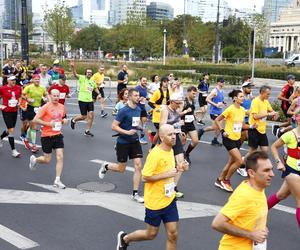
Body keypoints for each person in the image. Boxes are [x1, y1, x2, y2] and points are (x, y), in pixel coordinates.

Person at [116, 124, 188, 250]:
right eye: (169, 134)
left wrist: (179, 168)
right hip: (155, 202)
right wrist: (167, 174)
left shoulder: (170, 150)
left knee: (173, 234)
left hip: (169, 199)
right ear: (161, 136)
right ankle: (125, 239)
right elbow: (144, 177)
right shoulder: (155, 154)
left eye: (174, 134)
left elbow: (168, 171)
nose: (173, 137)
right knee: (151, 234)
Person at [212, 151, 274, 250]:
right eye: (266, 170)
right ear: (251, 173)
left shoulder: (259, 188)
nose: (272, 174)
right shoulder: (244, 195)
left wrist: (261, 227)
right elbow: (217, 223)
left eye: (271, 169)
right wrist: (251, 234)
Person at [98, 88, 144, 203]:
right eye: (135, 95)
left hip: (134, 141)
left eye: (138, 95)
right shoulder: (123, 111)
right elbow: (114, 126)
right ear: (129, 97)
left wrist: (140, 128)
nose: (137, 97)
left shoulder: (138, 109)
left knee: (138, 166)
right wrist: (127, 132)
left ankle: (135, 193)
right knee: (121, 168)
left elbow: (135, 124)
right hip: (123, 142)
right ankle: (106, 166)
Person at [214, 90, 256, 192]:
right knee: (239, 161)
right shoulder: (230, 109)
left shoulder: (242, 110)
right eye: (241, 96)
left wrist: (251, 126)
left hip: (237, 139)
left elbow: (242, 125)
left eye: (243, 96)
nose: (243, 98)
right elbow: (217, 120)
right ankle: (226, 180)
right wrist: (222, 130)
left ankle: (219, 180)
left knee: (230, 163)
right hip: (228, 139)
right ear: (235, 98)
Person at [29, 89, 68, 189]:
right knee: (47, 160)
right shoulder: (45, 107)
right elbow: (35, 120)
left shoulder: (62, 107)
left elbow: (63, 117)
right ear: (50, 96)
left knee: (60, 157)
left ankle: (57, 180)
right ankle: (35, 160)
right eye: (54, 95)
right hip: (46, 136)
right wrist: (49, 124)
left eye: (57, 96)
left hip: (58, 135)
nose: (56, 97)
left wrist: (64, 120)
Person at [268, 113, 300, 228]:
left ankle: (257, 212)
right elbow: (274, 147)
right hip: (292, 172)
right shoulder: (289, 135)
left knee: (281, 195)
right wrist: (278, 162)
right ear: (297, 120)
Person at [160, 92, 186, 198]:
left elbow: (176, 123)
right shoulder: (165, 110)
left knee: (181, 163)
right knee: (166, 166)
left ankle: (173, 188)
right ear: (171, 101)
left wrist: (180, 132)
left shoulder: (176, 110)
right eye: (177, 103)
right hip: (166, 140)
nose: (179, 105)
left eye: (180, 103)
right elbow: (162, 126)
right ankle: (163, 187)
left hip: (175, 138)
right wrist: (176, 125)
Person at [69, 61, 101, 137]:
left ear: (92, 74)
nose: (89, 73)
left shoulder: (92, 81)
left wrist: (99, 94)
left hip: (89, 101)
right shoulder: (82, 78)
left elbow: (95, 88)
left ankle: (87, 131)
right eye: (88, 72)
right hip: (82, 100)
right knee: (83, 116)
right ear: (85, 73)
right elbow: (75, 75)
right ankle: (73, 120)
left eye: (90, 72)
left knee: (91, 115)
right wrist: (73, 67)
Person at [248, 85, 279, 154]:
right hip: (254, 129)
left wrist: (275, 114)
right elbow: (255, 116)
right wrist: (268, 114)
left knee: (265, 150)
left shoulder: (266, 101)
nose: (269, 96)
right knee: (252, 151)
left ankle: (256, 162)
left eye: (269, 94)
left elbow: (271, 111)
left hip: (262, 130)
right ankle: (243, 161)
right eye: (268, 94)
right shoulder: (255, 101)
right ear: (262, 93)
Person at [22, 74, 47, 153]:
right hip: (30, 108)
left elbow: (46, 95)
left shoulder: (42, 88)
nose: (37, 81)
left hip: (38, 108)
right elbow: (22, 94)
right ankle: (34, 146)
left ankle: (25, 140)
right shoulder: (29, 87)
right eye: (35, 79)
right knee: (35, 127)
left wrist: (46, 99)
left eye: (38, 79)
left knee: (32, 126)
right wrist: (27, 98)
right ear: (32, 80)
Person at [198, 77, 226, 146]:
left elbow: (220, 100)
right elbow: (207, 99)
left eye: (224, 82)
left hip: (220, 111)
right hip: (214, 112)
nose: (223, 83)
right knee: (214, 127)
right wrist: (215, 105)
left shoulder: (222, 90)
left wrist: (223, 103)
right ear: (218, 83)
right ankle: (202, 131)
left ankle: (215, 140)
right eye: (222, 82)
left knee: (220, 127)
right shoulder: (215, 90)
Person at [0, 76, 22, 157]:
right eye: (12, 80)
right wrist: (0, 105)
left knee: (10, 129)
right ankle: (13, 150)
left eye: (15, 80)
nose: (14, 81)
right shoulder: (3, 88)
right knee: (11, 130)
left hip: (14, 111)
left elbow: (19, 96)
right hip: (6, 111)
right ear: (8, 80)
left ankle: (1, 137)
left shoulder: (18, 87)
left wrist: (19, 103)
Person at [148, 76, 170, 148]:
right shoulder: (157, 92)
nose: (166, 84)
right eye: (165, 82)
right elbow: (150, 102)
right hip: (157, 116)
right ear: (162, 83)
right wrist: (156, 108)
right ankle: (153, 147)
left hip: (165, 114)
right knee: (160, 133)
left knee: (163, 132)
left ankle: (154, 136)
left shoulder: (169, 91)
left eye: (167, 82)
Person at [180, 86, 199, 164]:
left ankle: (186, 154)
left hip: (190, 124)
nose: (195, 95)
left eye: (195, 94)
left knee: (195, 141)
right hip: (183, 125)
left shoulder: (193, 101)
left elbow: (192, 111)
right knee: (182, 143)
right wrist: (186, 111)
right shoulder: (183, 102)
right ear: (188, 92)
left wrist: (195, 116)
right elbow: (178, 114)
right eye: (193, 93)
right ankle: (176, 157)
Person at [135, 77, 148, 144]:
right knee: (136, 124)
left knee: (144, 123)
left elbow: (145, 97)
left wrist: (147, 98)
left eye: (145, 81)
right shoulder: (137, 88)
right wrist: (139, 98)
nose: (145, 82)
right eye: (143, 81)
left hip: (143, 108)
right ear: (140, 81)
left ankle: (141, 138)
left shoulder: (145, 88)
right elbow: (133, 98)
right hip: (136, 108)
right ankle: (134, 137)